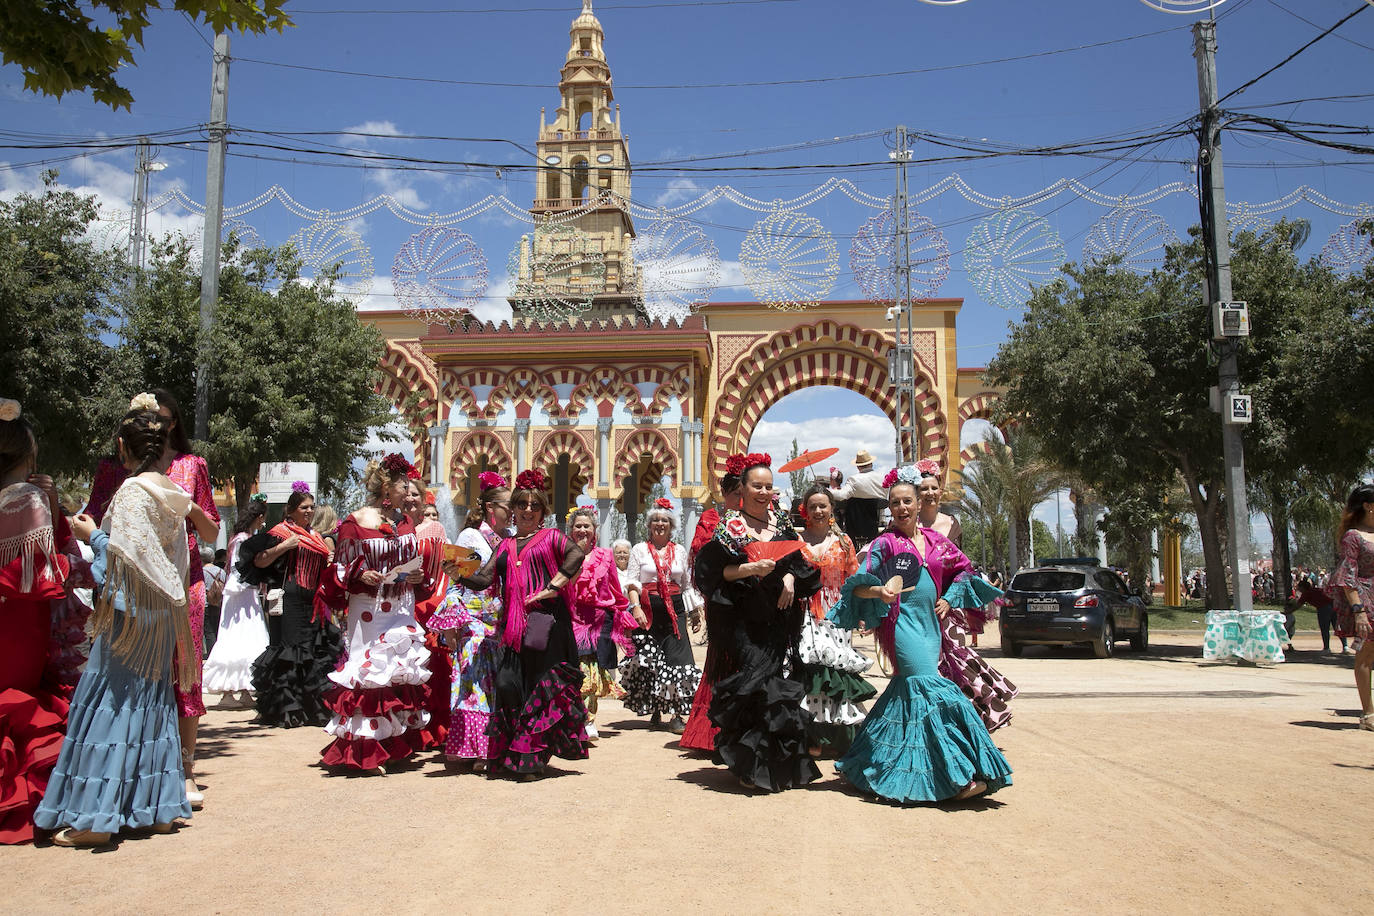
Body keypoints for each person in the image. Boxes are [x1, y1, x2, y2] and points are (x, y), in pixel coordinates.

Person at [37, 404, 216, 845]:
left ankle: (93, 819)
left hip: (129, 613)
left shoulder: (134, 491)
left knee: (109, 703)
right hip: (161, 614)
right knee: (151, 702)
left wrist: (92, 535)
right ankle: (153, 808)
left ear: (123, 447)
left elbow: (122, 561)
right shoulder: (171, 492)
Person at [829, 464, 1012, 804]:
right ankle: (956, 776)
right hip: (902, 627)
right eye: (895, 503)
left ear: (917, 505)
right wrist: (880, 592)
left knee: (906, 693)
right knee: (934, 688)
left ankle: (863, 764)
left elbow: (964, 572)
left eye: (906, 501)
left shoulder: (936, 541)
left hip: (931, 627)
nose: (901, 508)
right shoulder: (885, 544)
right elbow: (859, 586)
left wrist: (949, 598)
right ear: (890, 507)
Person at [83, 388, 220, 807]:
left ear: (173, 422)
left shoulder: (192, 466)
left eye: (158, 419)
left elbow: (212, 532)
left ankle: (186, 767)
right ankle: (136, 768)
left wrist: (188, 509)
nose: (152, 427)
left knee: (184, 670)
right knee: (130, 670)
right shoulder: (112, 470)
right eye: (142, 420)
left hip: (184, 582)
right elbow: (92, 521)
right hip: (127, 584)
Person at [450, 468, 590, 779]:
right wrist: (454, 568)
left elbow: (576, 555)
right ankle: (519, 754)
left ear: (542, 510)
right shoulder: (504, 545)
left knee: (539, 692)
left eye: (534, 505)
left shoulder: (551, 537)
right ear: (512, 508)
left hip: (547, 626)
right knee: (508, 686)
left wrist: (552, 587)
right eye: (522, 504)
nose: (528, 510)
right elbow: (484, 578)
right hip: (514, 631)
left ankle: (531, 760)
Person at [694, 453, 822, 792]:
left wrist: (790, 580)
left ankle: (767, 764)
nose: (764, 492)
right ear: (743, 489)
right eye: (757, 486)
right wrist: (750, 568)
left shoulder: (779, 524)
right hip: (743, 620)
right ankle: (749, 763)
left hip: (777, 619)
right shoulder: (730, 527)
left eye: (768, 486)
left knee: (768, 687)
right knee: (754, 683)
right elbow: (711, 573)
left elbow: (799, 565)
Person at [316, 455, 434, 773]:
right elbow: (340, 567)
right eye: (403, 488)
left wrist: (417, 577)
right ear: (386, 487)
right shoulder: (355, 522)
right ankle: (364, 751)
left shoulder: (407, 523)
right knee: (369, 673)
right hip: (369, 609)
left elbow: (415, 562)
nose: (409, 495)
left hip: (402, 605)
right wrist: (359, 575)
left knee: (396, 671)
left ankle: (392, 745)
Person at [0, 398, 75, 844]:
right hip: (20, 618)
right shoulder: (26, 497)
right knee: (19, 698)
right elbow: (50, 574)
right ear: (27, 452)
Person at [912, 459, 1018, 732]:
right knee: (923, 666)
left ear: (940, 491)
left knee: (957, 660)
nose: (930, 493)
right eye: (923, 489)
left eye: (934, 488)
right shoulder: (905, 524)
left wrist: (949, 599)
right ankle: (931, 725)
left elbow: (961, 569)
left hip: (948, 606)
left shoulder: (952, 525)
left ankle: (974, 720)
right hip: (917, 608)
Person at [430, 472, 509, 768]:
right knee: (476, 683)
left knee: (496, 682)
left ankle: (494, 743)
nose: (512, 510)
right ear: (491, 508)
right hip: (474, 620)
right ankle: (478, 749)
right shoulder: (470, 536)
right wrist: (452, 624)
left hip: (498, 620)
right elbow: (456, 582)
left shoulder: (508, 537)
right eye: (506, 505)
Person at [246, 484, 340, 729]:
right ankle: (287, 710)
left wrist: (328, 561)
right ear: (291, 510)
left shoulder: (317, 536)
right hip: (289, 598)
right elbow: (259, 560)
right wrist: (284, 546)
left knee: (311, 652)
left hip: (313, 601)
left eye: (311, 507)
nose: (308, 511)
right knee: (289, 652)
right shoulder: (280, 531)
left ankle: (310, 708)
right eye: (303, 507)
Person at [795, 484, 873, 757]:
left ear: (832, 509)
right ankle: (810, 735)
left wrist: (860, 614)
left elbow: (852, 580)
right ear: (805, 509)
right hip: (802, 614)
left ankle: (837, 737)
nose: (818, 510)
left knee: (835, 671)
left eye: (823, 505)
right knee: (809, 669)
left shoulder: (844, 542)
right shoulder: (796, 541)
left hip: (836, 613)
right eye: (813, 506)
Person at [619, 498, 701, 734]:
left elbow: (686, 584)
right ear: (649, 525)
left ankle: (676, 714)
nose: (660, 524)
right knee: (651, 660)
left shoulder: (680, 551)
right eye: (655, 520)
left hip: (675, 610)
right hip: (647, 609)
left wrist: (695, 612)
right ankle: (655, 707)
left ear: (671, 525)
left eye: (664, 520)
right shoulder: (639, 550)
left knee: (678, 659)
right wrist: (635, 609)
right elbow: (632, 582)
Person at [679, 466, 744, 753]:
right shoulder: (711, 519)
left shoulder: (762, 519)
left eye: (745, 493)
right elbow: (701, 555)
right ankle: (711, 731)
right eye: (736, 494)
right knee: (723, 660)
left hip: (755, 601)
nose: (741, 499)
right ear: (725, 494)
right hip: (724, 600)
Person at [565, 505, 634, 742]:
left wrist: (622, 614)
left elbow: (614, 587)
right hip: (572, 618)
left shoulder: (605, 556)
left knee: (591, 672)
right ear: (570, 530)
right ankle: (575, 718)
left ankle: (588, 720)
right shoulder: (563, 554)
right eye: (578, 526)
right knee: (575, 669)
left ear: (595, 530)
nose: (583, 530)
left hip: (598, 620)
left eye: (587, 526)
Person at [202, 497, 269, 709]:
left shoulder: (241, 537)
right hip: (241, 592)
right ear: (258, 518)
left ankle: (243, 689)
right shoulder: (242, 539)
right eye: (262, 519)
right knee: (239, 635)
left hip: (245, 591)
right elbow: (237, 566)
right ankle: (230, 691)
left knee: (247, 636)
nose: (263, 523)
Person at [406, 476, 452, 753]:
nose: (410, 499)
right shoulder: (395, 529)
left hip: (424, 605)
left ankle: (431, 731)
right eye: (406, 493)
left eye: (415, 494)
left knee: (429, 670)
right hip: (399, 606)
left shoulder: (433, 528)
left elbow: (441, 571)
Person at [1330, 483, 1374, 732]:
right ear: (1368, 506)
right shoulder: (1353, 536)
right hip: (1367, 599)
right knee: (1366, 655)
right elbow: (1347, 576)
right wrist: (1358, 610)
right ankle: (1368, 714)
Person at [829, 449, 887, 547]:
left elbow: (841, 495)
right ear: (871, 463)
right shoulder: (882, 479)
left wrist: (826, 491)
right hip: (876, 522)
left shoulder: (854, 480)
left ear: (858, 466)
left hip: (855, 525)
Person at [1295, 579, 1346, 654]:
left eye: (1299, 587)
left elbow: (1298, 605)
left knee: (1325, 629)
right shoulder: (1317, 589)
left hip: (1323, 609)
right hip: (1333, 606)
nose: (1298, 588)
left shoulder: (1306, 594)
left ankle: (1326, 648)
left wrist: (1288, 612)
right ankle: (1345, 646)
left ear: (1302, 587)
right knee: (1337, 627)